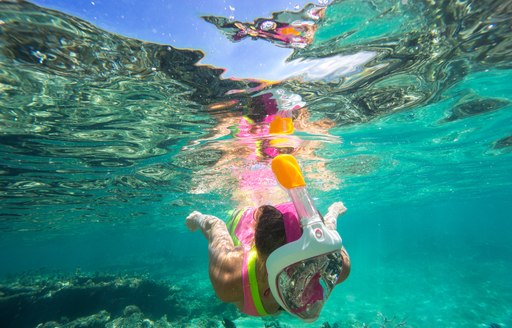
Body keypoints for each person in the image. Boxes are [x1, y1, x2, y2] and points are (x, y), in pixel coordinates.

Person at [185, 200, 350, 318]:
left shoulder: (336, 266)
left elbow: (328, 236)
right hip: (243, 220)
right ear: (264, 262)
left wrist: (333, 212)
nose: (310, 276)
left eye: (317, 260)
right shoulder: (230, 279)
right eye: (295, 270)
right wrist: (198, 218)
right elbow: (215, 226)